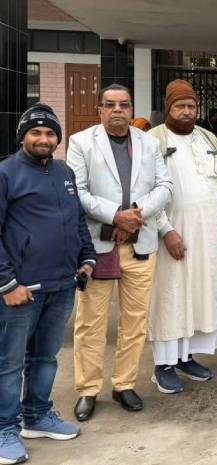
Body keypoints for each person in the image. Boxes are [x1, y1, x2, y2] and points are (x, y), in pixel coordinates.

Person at [67, 84, 172, 421]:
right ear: (99, 110)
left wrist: (136, 214)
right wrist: (115, 215)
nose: (117, 110)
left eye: (124, 105)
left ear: (131, 110)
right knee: (91, 322)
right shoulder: (81, 142)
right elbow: (77, 192)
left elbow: (165, 186)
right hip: (97, 247)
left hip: (140, 245)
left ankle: (124, 384)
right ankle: (87, 389)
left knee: (135, 321)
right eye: (110, 105)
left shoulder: (148, 143)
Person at [0, 103, 96, 464]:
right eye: (36, 132)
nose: (44, 138)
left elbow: (76, 220)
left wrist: (87, 259)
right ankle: (4, 428)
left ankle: (37, 415)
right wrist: (7, 284)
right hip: (21, 290)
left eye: (50, 133)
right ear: (22, 136)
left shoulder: (64, 172)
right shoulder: (6, 173)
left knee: (45, 357)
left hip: (61, 285)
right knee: (10, 363)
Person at [146, 79, 217, 393]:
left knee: (197, 294)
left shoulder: (209, 137)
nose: (186, 111)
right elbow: (146, 190)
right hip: (172, 233)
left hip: (206, 234)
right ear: (168, 108)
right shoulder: (153, 139)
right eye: (180, 106)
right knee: (170, 296)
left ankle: (185, 357)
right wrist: (166, 231)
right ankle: (163, 365)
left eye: (191, 106)